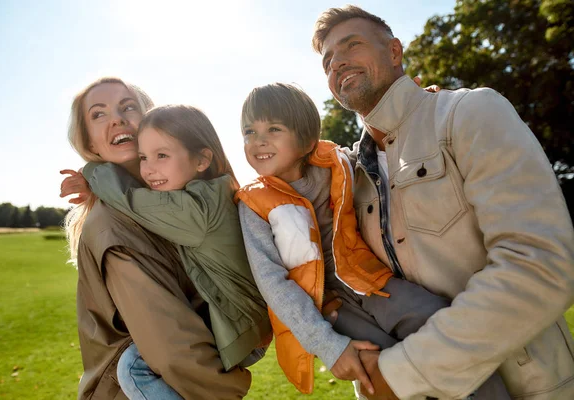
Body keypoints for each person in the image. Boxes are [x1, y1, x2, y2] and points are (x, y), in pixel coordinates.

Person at [312, 5, 574, 399]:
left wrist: (402, 373)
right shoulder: (348, 177)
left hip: (530, 387)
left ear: (395, 52)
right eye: (328, 60)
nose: (338, 62)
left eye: (352, 45)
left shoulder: (470, 113)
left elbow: (540, 263)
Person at [235, 82, 509, 400]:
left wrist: (417, 109)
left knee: (442, 327)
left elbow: (382, 151)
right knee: (382, 372)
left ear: (306, 139)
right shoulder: (252, 203)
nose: (258, 141)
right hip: (331, 307)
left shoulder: (339, 164)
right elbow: (273, 284)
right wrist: (327, 344)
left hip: (371, 281)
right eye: (248, 132)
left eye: (273, 129)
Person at [60, 77, 252, 400]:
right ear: (90, 144)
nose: (118, 119)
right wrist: (227, 390)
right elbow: (171, 346)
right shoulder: (113, 225)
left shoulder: (170, 203)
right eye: (99, 114)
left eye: (128, 107)